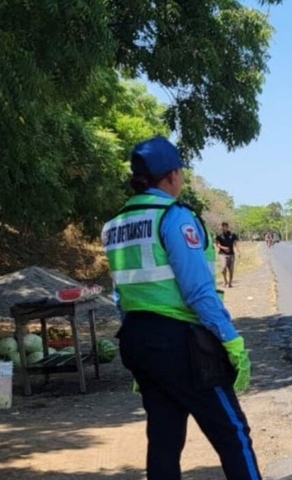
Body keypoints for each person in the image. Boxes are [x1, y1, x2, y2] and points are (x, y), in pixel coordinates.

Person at [101, 136, 262, 480]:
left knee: (163, 439)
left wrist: (142, 348)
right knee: (232, 434)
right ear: (172, 175)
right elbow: (199, 291)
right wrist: (231, 340)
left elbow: (121, 293)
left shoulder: (114, 225)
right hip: (181, 343)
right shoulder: (174, 218)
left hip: (136, 338)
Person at [215, 222, 240, 288]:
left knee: (231, 269)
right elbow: (217, 244)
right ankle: (225, 281)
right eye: (223, 227)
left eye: (226, 227)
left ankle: (230, 283)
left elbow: (236, 243)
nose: (224, 228)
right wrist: (224, 248)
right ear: (221, 227)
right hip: (222, 254)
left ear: (228, 227)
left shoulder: (232, 235)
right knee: (223, 267)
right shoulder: (219, 235)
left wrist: (238, 251)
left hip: (231, 254)